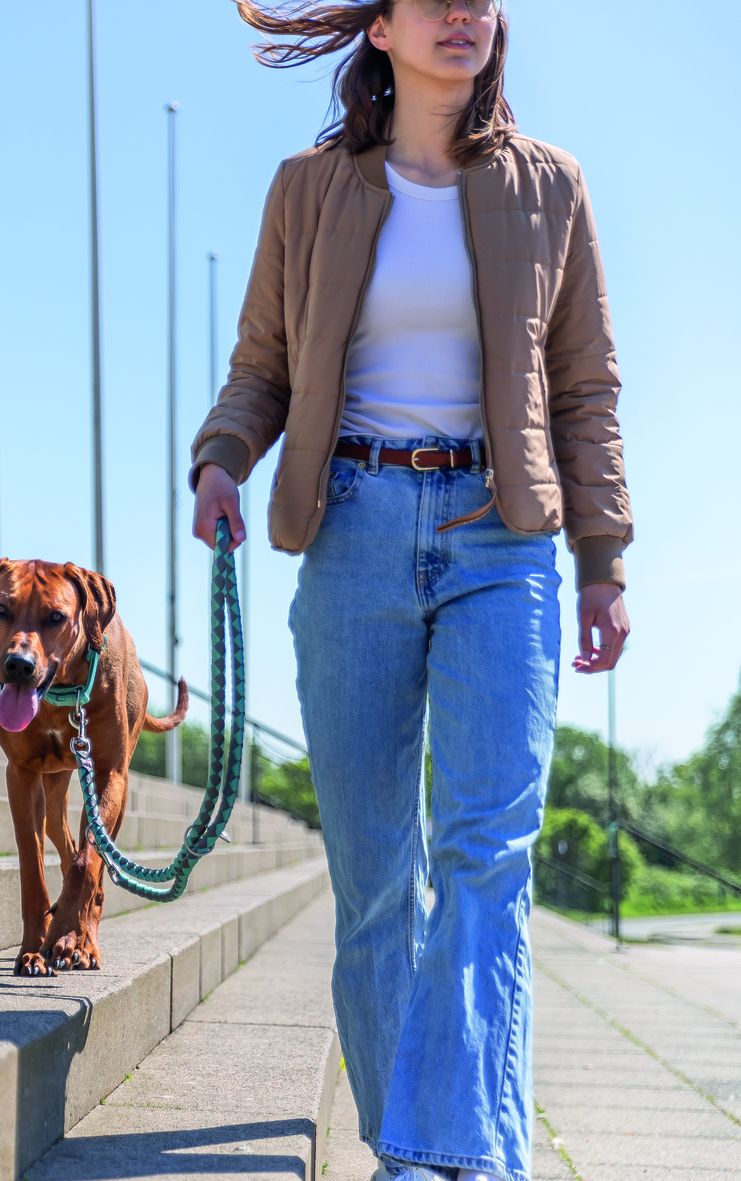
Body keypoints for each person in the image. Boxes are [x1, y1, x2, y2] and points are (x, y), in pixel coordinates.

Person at [189, 3, 632, 1180]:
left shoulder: (548, 186)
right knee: (376, 873)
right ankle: (407, 1152)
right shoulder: (309, 188)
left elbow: (584, 387)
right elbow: (260, 364)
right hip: (352, 528)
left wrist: (601, 558)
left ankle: (470, 1155)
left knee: (487, 851)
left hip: (502, 538)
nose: (462, 15)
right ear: (379, 31)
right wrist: (222, 459)